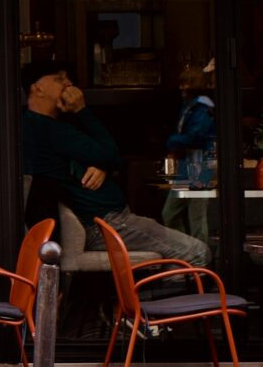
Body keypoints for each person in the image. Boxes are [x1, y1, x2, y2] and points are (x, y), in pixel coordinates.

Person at [20, 59, 208, 265]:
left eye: (68, 79)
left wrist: (101, 165)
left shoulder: (51, 124)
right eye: (59, 79)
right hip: (107, 223)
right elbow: (112, 156)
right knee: (198, 252)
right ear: (37, 88)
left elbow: (104, 156)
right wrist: (82, 111)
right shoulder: (47, 130)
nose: (68, 84)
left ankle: (153, 292)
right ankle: (160, 295)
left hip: (109, 221)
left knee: (174, 251)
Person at [166, 61, 217, 189]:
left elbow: (195, 136)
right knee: (173, 207)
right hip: (187, 167)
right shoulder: (189, 106)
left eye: (185, 84)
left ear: (195, 85)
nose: (181, 87)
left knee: (196, 206)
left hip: (201, 168)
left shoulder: (202, 107)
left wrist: (171, 141)